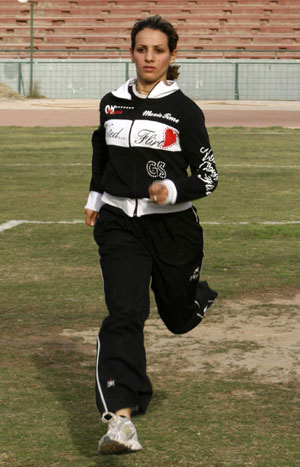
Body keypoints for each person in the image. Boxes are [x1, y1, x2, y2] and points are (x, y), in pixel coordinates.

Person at [84, 15, 218, 455]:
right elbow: (101, 152)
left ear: (171, 55)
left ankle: (199, 296)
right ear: (132, 51)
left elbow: (209, 176)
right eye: (142, 49)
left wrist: (173, 188)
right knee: (125, 312)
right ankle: (120, 421)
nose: (149, 57)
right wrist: (95, 197)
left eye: (158, 50)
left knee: (176, 318)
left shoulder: (184, 110)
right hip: (119, 224)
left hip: (173, 228)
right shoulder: (111, 102)